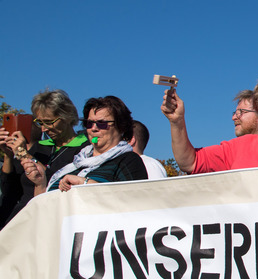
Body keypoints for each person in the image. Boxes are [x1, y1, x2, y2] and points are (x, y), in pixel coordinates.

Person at [21, 95, 148, 193]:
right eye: (89, 123)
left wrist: (85, 183)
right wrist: (40, 184)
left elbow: (133, 202)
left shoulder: (128, 160)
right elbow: (44, 206)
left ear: (121, 127)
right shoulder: (76, 162)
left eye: (101, 123)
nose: (93, 128)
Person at [1, 90, 89, 224]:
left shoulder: (85, 148)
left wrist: (25, 155)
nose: (44, 129)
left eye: (49, 122)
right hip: (22, 219)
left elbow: (55, 182)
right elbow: (10, 190)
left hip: (54, 220)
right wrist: (8, 156)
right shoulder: (39, 147)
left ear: (67, 117)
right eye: (40, 123)